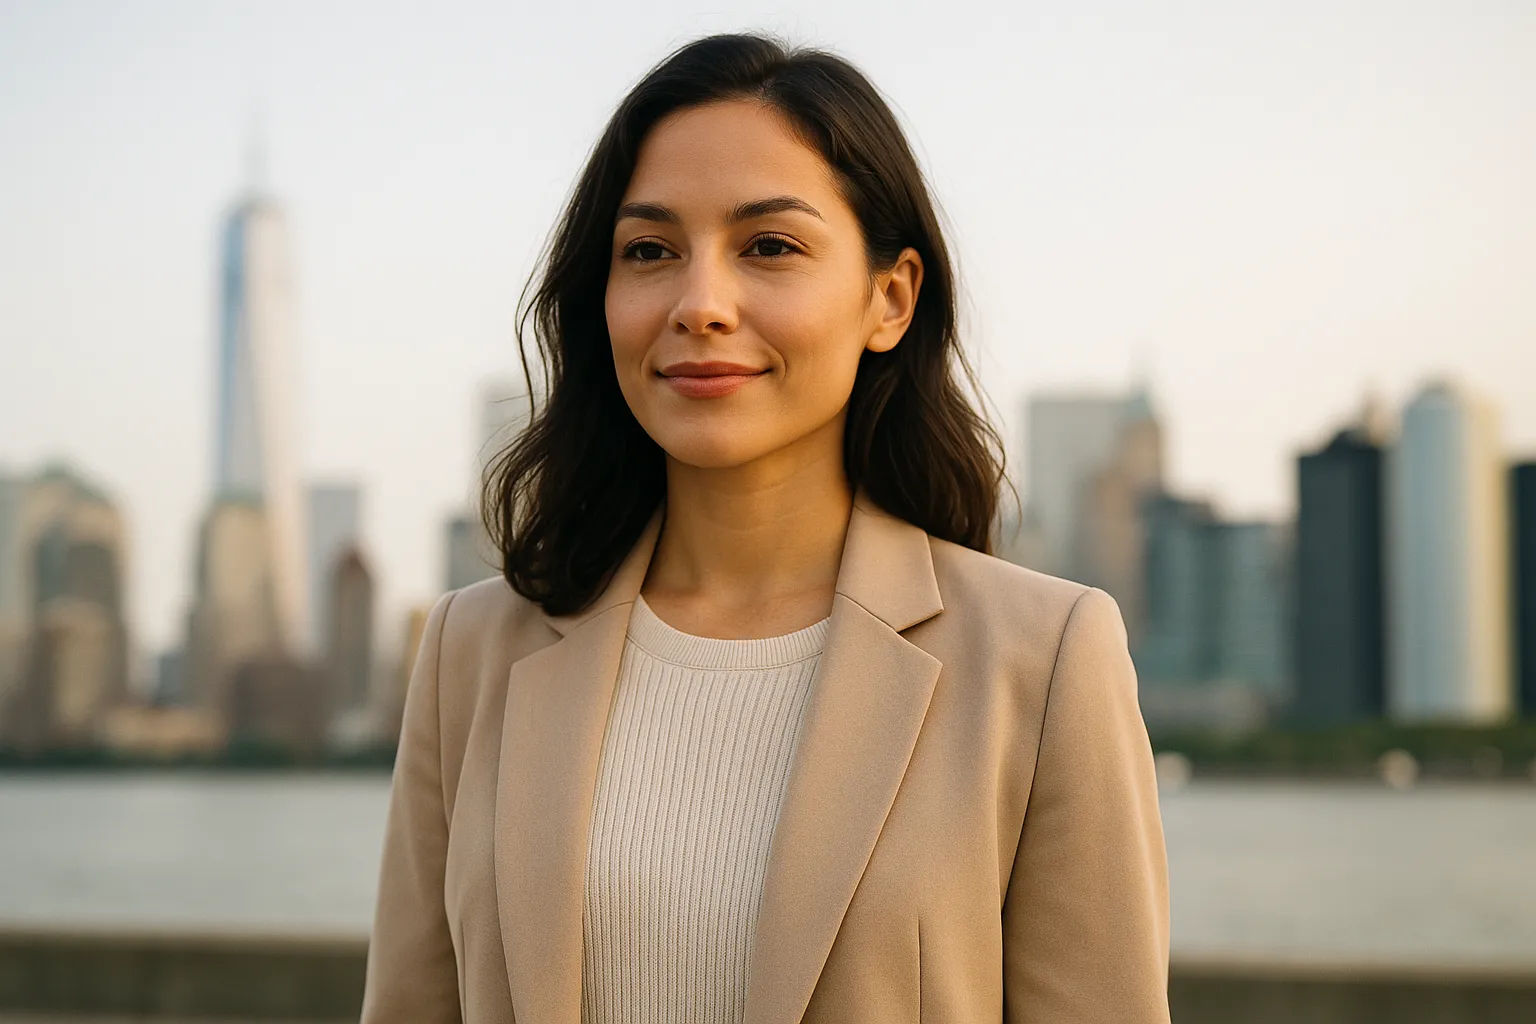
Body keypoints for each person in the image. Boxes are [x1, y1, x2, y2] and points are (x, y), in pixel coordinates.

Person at [361, 32, 1170, 1024]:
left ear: (889, 298)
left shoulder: (1043, 661)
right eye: (650, 250)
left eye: (769, 247)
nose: (701, 303)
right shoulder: (469, 652)